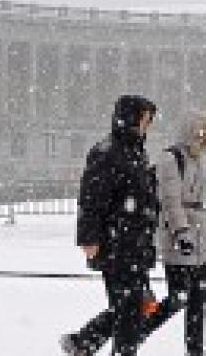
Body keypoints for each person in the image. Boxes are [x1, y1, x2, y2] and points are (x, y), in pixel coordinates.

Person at [60, 95, 178, 356]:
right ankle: (88, 344)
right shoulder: (107, 152)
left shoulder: (136, 153)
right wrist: (89, 240)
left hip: (135, 244)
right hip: (117, 245)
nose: (148, 125)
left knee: (129, 309)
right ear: (131, 118)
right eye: (145, 119)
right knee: (130, 311)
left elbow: (143, 198)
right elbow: (91, 199)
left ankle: (83, 343)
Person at [159, 109, 206, 356]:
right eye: (198, 132)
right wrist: (182, 231)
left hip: (198, 240)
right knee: (177, 299)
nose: (202, 138)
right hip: (179, 239)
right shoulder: (172, 158)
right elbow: (170, 200)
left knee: (197, 301)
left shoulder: (196, 160)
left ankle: (195, 351)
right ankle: (134, 329)